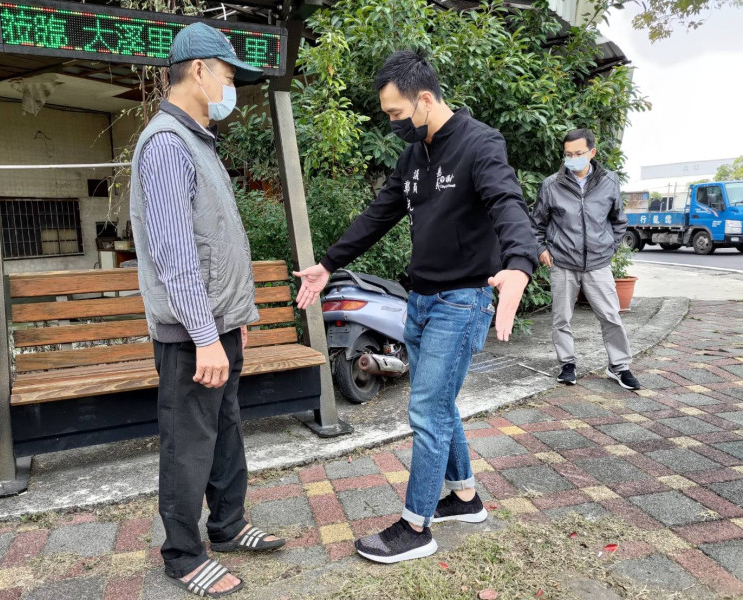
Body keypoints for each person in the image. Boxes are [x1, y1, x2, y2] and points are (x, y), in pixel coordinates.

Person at [293, 50, 538, 564]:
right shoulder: (414, 156)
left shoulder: (479, 144)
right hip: (421, 300)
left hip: (462, 301)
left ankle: (416, 526)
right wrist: (328, 263)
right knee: (441, 403)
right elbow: (379, 214)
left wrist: (519, 263)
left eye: (396, 114)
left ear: (425, 99)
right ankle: (465, 497)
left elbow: (507, 203)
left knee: (425, 409)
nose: (393, 124)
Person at [129, 23, 284, 598]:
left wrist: (231, 319)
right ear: (200, 70)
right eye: (228, 75)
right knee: (188, 441)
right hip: (193, 333)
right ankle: (183, 553)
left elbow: (213, 239)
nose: (231, 86)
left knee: (224, 430)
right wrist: (204, 335)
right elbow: (175, 254)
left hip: (218, 325)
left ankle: (227, 524)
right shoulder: (167, 143)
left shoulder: (196, 140)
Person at [531, 129, 641, 390]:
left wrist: (610, 248)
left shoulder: (609, 181)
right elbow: (536, 225)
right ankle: (567, 364)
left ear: (592, 152)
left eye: (579, 154)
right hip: (563, 262)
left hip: (598, 264)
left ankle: (619, 366)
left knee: (610, 315)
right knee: (561, 318)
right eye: (568, 154)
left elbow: (619, 221)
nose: (573, 159)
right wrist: (541, 249)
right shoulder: (551, 185)